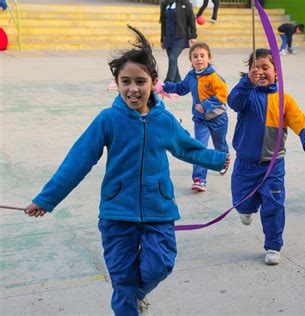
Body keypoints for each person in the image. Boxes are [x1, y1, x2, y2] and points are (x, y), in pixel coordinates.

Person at [24, 25, 229, 316]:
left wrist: (217, 159)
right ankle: (129, 301)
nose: (133, 89)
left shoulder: (164, 121)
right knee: (122, 279)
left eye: (140, 81)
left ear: (154, 82)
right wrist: (46, 199)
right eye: (125, 81)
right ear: (117, 82)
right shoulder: (108, 119)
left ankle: (134, 296)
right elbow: (77, 161)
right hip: (117, 213)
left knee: (161, 265)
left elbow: (188, 148)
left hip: (159, 210)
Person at [228, 48, 305, 265]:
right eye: (255, 68)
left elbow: (300, 121)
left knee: (274, 205)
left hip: (273, 165)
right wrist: (246, 83)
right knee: (242, 203)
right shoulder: (247, 95)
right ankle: (246, 209)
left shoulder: (284, 100)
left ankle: (273, 245)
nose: (260, 72)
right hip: (245, 164)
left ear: (276, 71)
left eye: (265, 67)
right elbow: (233, 101)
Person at [162, 42, 229, 192]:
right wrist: (164, 87)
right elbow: (181, 88)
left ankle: (224, 159)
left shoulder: (214, 77)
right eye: (195, 56)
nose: (199, 59)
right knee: (199, 147)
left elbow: (222, 95)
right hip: (200, 120)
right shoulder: (191, 76)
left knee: (220, 146)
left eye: (202, 56)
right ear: (190, 60)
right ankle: (199, 179)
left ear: (209, 58)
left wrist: (205, 105)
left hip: (218, 118)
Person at [160, 0, 198, 82]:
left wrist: (193, 36)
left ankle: (168, 81)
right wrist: (162, 39)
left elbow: (191, 20)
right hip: (168, 37)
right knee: (172, 60)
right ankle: (178, 81)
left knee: (172, 58)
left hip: (180, 37)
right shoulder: (165, 5)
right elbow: (163, 23)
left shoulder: (185, 4)